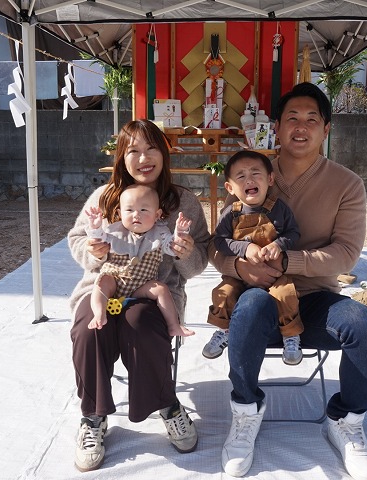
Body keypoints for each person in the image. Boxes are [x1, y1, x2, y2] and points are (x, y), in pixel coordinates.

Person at [211, 82, 367, 480]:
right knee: (250, 306)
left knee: (366, 326)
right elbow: (217, 246)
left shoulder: (346, 184)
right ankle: (246, 410)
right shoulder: (251, 172)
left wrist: (290, 259)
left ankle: (345, 420)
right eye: (292, 118)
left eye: (312, 119)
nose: (301, 126)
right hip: (257, 296)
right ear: (276, 127)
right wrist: (241, 268)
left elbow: (346, 253)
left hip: (314, 299)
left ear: (326, 129)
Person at [68, 119, 211, 472]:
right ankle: (93, 417)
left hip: (154, 293)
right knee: (88, 329)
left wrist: (186, 252)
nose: (143, 159)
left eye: (151, 149)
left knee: (141, 323)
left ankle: (168, 406)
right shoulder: (103, 197)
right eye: (134, 151)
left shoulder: (184, 202)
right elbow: (77, 239)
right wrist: (93, 250)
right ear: (122, 156)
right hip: (104, 284)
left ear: (164, 154)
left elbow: (199, 259)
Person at [202, 150, 303, 365]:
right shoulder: (230, 213)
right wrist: (245, 248)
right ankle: (224, 330)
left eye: (256, 173)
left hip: (274, 274)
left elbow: (293, 233)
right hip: (239, 276)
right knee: (223, 293)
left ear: (270, 179)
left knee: (287, 294)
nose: (249, 180)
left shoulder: (279, 209)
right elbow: (219, 241)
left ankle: (291, 335)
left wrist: (278, 245)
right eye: (241, 176)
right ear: (229, 187)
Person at [85, 184, 195, 337]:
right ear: (120, 213)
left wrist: (180, 232)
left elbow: (172, 246)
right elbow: (99, 240)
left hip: (142, 287)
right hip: (115, 280)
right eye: (129, 210)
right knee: (102, 282)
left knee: (161, 289)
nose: (136, 215)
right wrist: (95, 227)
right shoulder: (115, 231)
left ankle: (174, 325)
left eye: (143, 210)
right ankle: (99, 313)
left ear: (157, 215)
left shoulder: (160, 233)